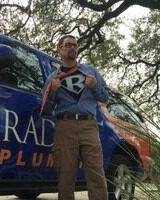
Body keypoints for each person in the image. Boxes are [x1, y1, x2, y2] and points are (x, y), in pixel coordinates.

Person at [41, 35, 108, 200]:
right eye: (68, 45)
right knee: (66, 176)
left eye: (75, 45)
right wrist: (53, 91)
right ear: (59, 50)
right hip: (65, 127)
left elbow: (105, 97)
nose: (72, 48)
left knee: (96, 175)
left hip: (89, 126)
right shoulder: (52, 78)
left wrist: (95, 86)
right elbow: (45, 109)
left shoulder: (90, 71)